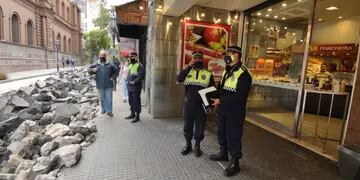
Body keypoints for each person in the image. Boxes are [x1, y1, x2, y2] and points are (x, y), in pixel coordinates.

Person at [209, 46, 252, 177]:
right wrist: (211, 95)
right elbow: (221, 88)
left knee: (233, 135)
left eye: (229, 54)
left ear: (237, 55)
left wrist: (220, 101)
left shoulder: (244, 74)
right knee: (222, 132)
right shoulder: (227, 70)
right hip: (223, 110)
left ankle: (235, 162)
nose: (226, 56)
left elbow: (240, 96)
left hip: (235, 111)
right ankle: (223, 153)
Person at [177, 51, 215, 157]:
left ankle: (197, 146)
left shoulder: (208, 74)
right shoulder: (187, 71)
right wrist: (188, 67)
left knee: (200, 127)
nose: (197, 60)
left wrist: (210, 105)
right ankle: (188, 145)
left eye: (199, 58)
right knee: (187, 126)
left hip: (201, 105)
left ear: (202, 60)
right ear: (192, 59)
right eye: (195, 58)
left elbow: (211, 91)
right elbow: (179, 79)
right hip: (188, 104)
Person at [88, 50, 117, 117]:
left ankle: (109, 111)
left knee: (109, 98)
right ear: (99, 56)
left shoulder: (110, 64)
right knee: (102, 98)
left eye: (103, 56)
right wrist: (92, 70)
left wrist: (113, 77)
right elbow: (89, 70)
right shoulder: (96, 64)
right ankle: (103, 108)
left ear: (105, 56)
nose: (102, 57)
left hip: (108, 84)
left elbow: (116, 70)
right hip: (100, 84)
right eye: (101, 56)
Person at [125, 52, 145, 123]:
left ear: (136, 57)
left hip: (136, 87)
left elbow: (141, 76)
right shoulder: (130, 65)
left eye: (132, 57)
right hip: (129, 86)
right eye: (130, 57)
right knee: (131, 101)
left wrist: (134, 82)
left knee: (136, 101)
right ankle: (132, 114)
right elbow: (129, 74)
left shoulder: (139, 65)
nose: (131, 58)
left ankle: (137, 116)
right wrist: (127, 81)